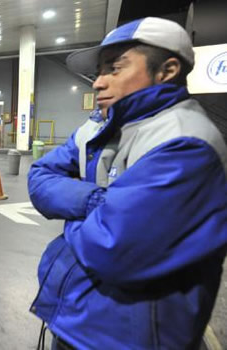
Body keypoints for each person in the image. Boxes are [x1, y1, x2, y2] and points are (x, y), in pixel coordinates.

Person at [28, 17, 227, 349]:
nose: (98, 83)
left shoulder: (185, 142)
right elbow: (39, 178)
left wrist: (76, 215)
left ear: (167, 70)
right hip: (76, 321)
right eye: (98, 72)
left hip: (130, 337)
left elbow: (113, 248)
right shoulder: (98, 129)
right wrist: (97, 204)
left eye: (114, 69)